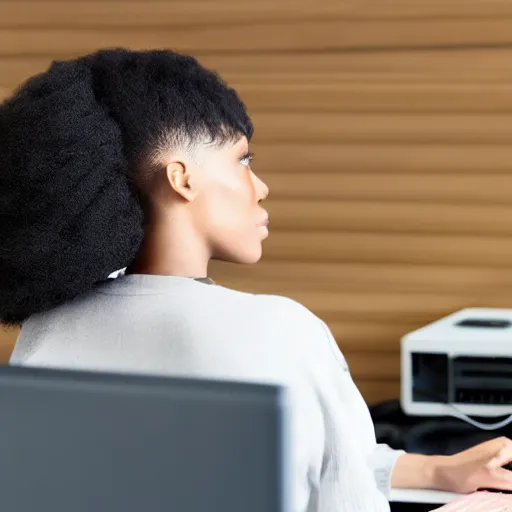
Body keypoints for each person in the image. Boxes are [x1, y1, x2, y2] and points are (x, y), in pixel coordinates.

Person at [1, 48, 512, 512]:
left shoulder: (48, 332)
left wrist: (438, 469)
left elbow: (305, 461)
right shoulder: (282, 330)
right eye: (242, 159)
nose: (261, 187)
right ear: (183, 178)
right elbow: (340, 493)